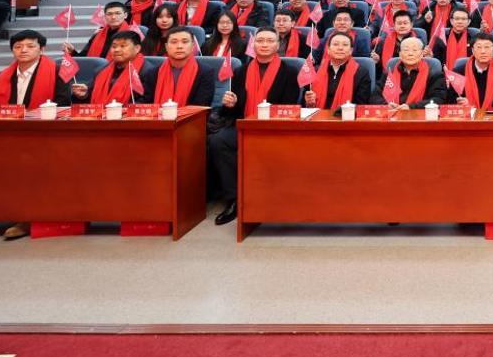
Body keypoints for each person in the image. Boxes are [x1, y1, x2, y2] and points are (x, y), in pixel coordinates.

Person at [0, 29, 73, 240]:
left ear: (41, 49)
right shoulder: (2, 76)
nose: (23, 50)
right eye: (18, 47)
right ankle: (2, 210)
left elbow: (63, 105)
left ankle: (27, 216)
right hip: (8, 134)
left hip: (45, 135)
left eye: (30, 46)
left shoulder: (57, 72)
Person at [210, 27, 303, 226]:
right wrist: (229, 105)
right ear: (253, 45)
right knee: (218, 141)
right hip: (245, 126)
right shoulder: (241, 71)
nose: (264, 44)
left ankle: (273, 198)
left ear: (278, 45)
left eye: (270, 41)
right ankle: (234, 199)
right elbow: (232, 113)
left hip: (275, 129)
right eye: (260, 41)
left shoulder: (289, 72)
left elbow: (289, 107)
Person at [141, 28, 217, 107]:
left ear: (193, 46)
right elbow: (146, 104)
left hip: (192, 115)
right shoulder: (153, 73)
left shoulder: (205, 73)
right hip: (158, 114)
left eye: (185, 42)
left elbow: (202, 106)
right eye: (174, 42)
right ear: (166, 47)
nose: (179, 46)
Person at [70, 30, 146, 106]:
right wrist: (84, 95)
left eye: (123, 46)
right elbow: (89, 96)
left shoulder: (146, 72)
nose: (116, 50)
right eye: (114, 46)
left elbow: (146, 102)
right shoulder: (102, 70)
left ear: (137, 48)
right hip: (102, 112)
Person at [304, 31, 372, 110]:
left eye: (345, 45)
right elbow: (304, 102)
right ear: (328, 49)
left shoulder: (361, 73)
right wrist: (309, 104)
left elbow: (361, 105)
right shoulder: (315, 71)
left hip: (347, 116)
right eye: (336, 44)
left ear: (351, 50)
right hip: (317, 115)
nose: (340, 48)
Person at [375, 36, 446, 108]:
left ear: (422, 54)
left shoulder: (433, 74)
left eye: (414, 50)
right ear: (400, 54)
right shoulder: (391, 72)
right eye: (406, 50)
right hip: (393, 112)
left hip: (420, 113)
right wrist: (386, 104)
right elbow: (375, 95)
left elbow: (438, 99)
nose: (410, 54)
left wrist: (411, 106)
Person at [453, 32, 493, 111]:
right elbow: (451, 99)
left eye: (487, 47)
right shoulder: (459, 72)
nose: (483, 51)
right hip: (467, 115)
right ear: (472, 51)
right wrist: (461, 103)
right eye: (479, 47)